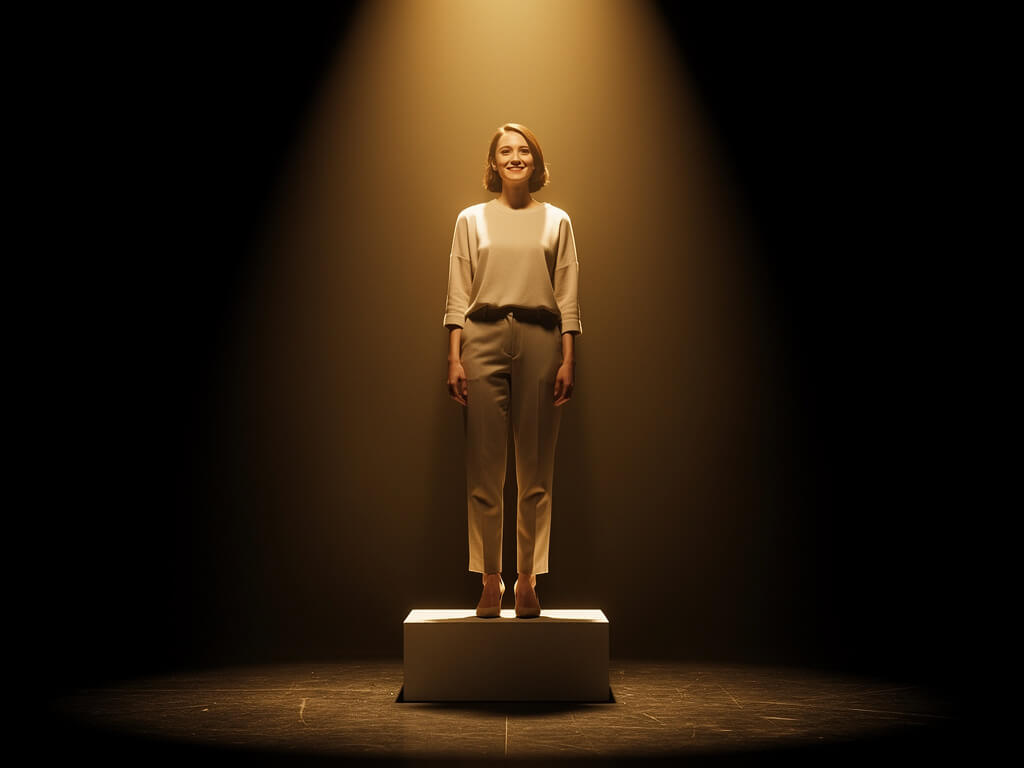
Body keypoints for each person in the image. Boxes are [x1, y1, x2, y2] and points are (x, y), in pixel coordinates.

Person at [442, 122, 582, 618]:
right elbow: (458, 289)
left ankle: (526, 580)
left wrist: (568, 357)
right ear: (494, 162)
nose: (515, 157)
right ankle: (489, 580)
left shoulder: (556, 221)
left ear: (535, 161)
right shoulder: (471, 219)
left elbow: (567, 293)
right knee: (484, 469)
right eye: (506, 150)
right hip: (481, 337)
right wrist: (454, 356)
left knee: (536, 470)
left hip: (542, 339)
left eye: (524, 150)